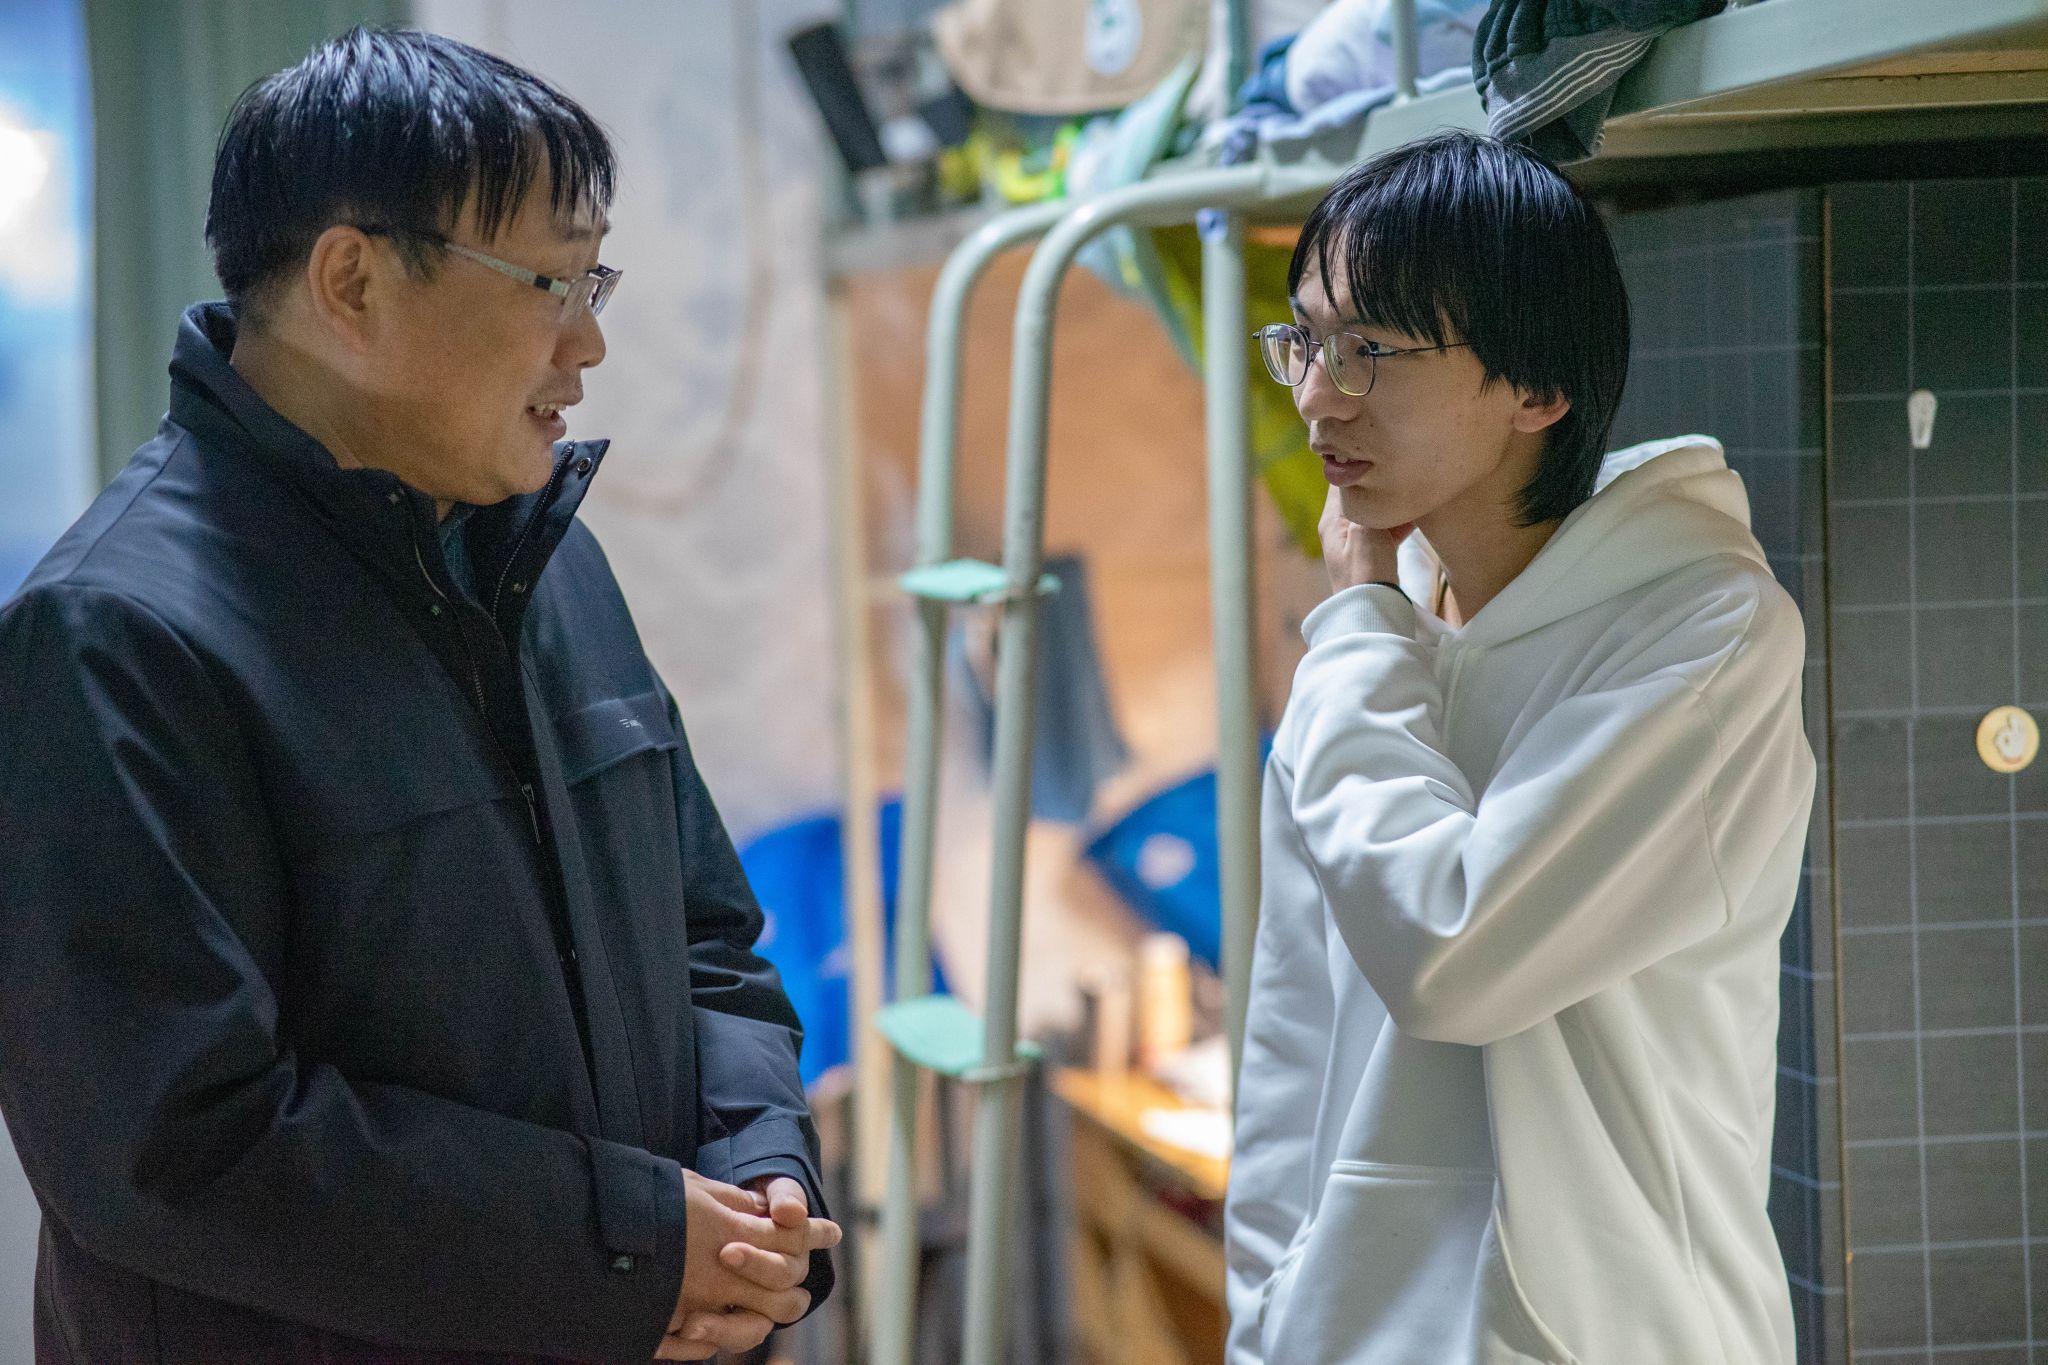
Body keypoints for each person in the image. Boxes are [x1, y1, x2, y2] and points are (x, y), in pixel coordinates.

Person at [0, 27, 839, 1365]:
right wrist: (627, 1244)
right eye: (551, 282)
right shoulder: (115, 638)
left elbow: (706, 939)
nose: (588, 343)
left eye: (595, 279)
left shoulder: (547, 563)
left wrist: (756, 1172)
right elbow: (174, 1145)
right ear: (354, 281)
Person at [1225, 131, 1815, 1363]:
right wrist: (1262, 1318)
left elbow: (1452, 953)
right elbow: (1292, 1033)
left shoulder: (1702, 637)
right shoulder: (1376, 635)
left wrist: (1358, 624)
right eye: (1306, 342)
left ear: (1536, 388)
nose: (1317, 395)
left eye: (1369, 350)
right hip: (1341, 1328)